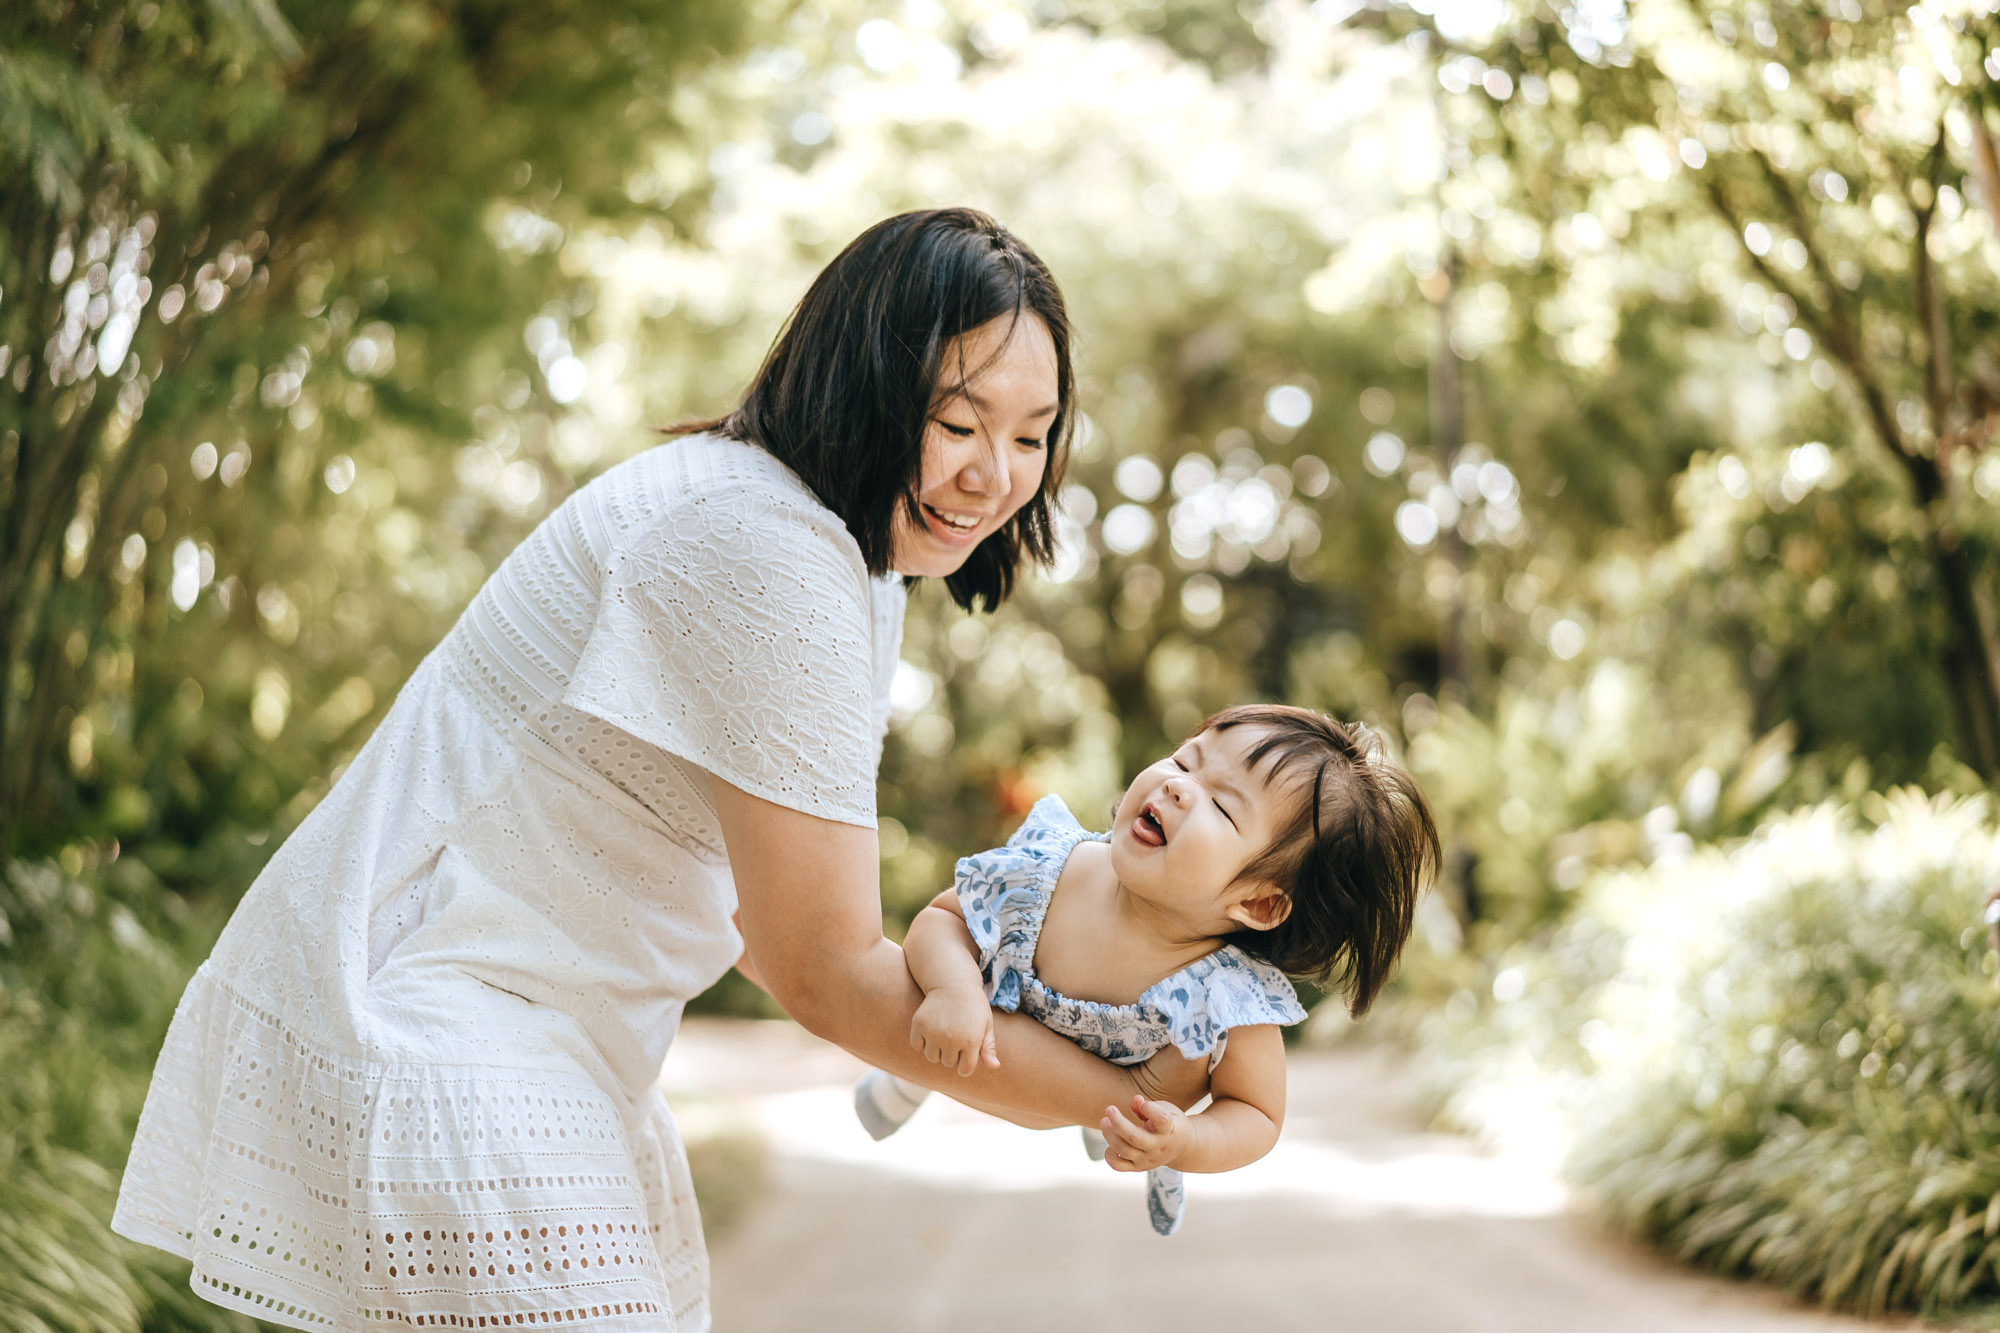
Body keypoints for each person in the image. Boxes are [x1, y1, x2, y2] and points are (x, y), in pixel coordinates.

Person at [111, 208, 1209, 1333]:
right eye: (957, 421)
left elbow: (764, 917)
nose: (993, 475)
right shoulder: (766, 547)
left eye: (1031, 437)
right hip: (451, 1039)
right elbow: (824, 969)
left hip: (544, 1053)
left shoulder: (841, 556)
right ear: (863, 385)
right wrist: (1137, 1098)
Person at [851, 704, 1439, 1235]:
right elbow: (943, 919)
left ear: (1259, 904)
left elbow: (1257, 1114)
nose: (1178, 786)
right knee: (948, 1019)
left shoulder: (1223, 993)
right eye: (1186, 760)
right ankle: (909, 1079)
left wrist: (1187, 1139)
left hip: (1085, 1091)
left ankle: (1079, 1118)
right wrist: (953, 990)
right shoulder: (1052, 871)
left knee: (1159, 1079)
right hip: (988, 1022)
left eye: (1222, 806)